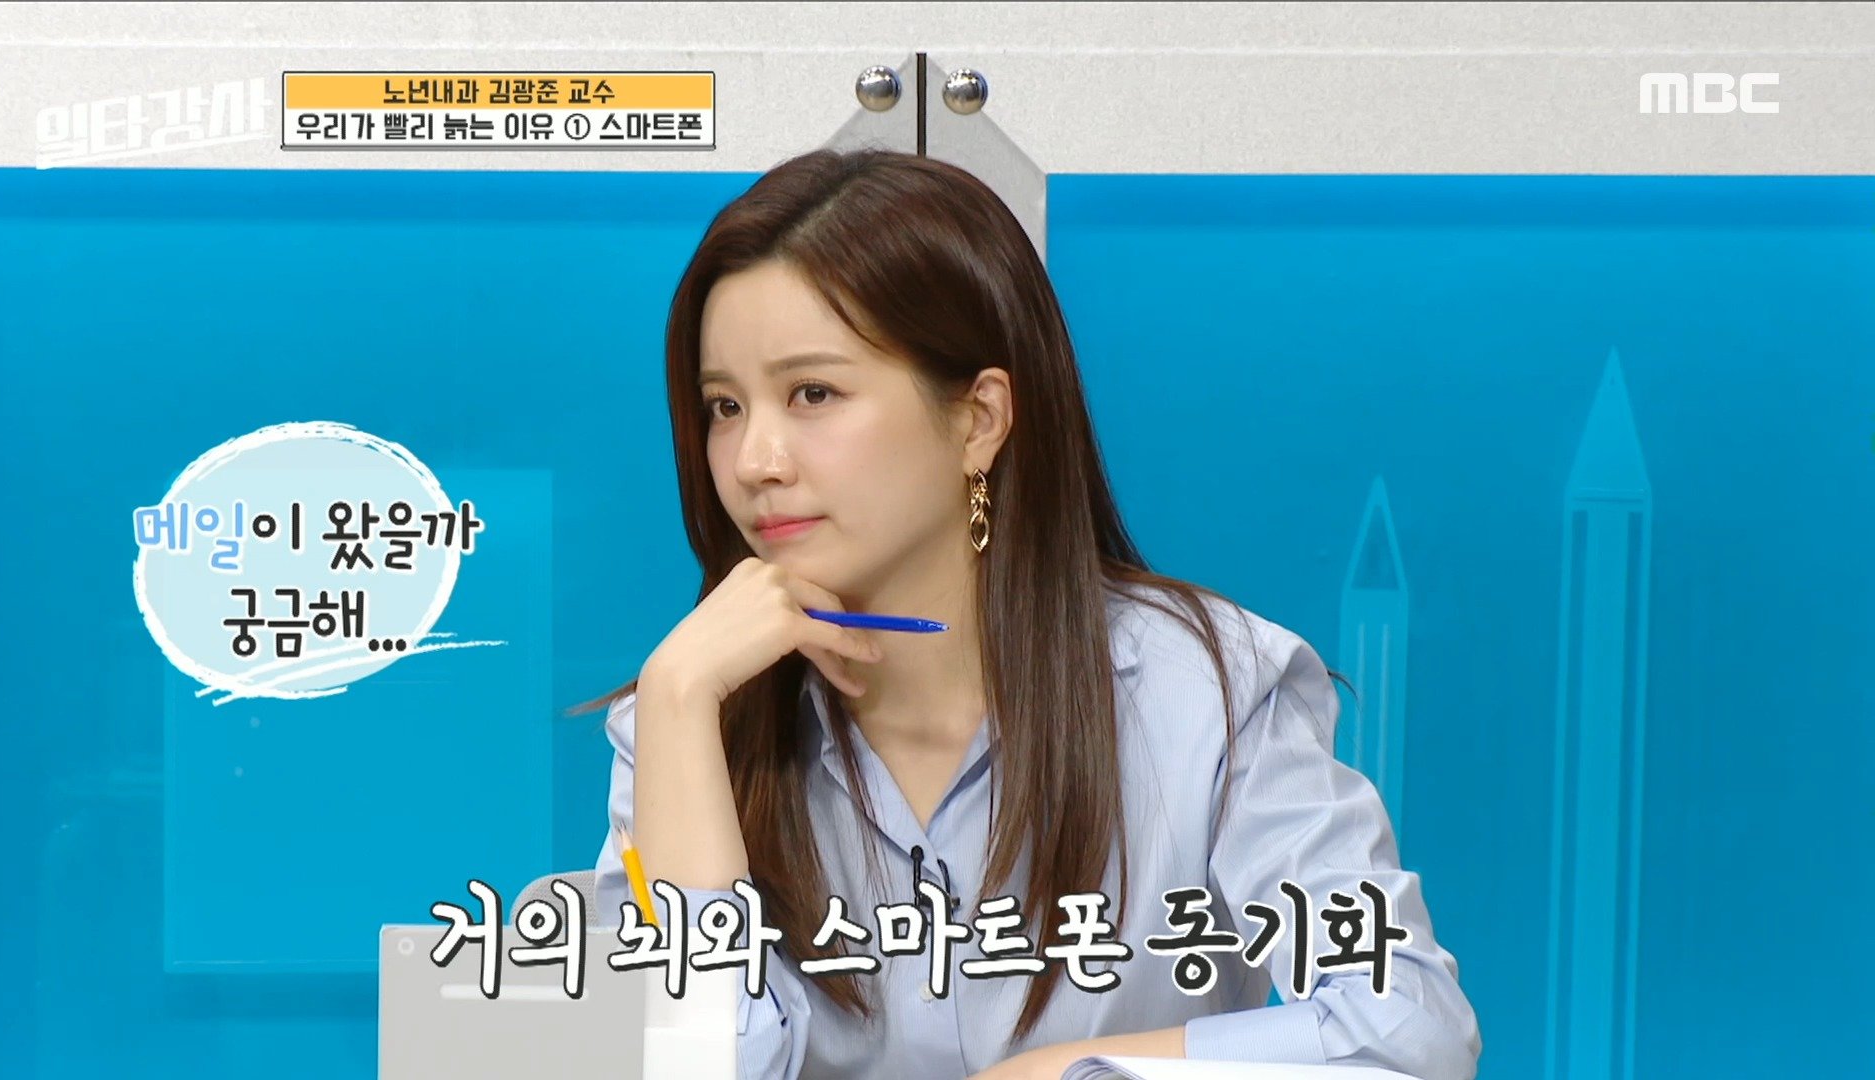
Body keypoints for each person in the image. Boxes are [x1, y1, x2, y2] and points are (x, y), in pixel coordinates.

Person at [568, 147, 1481, 1080]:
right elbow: (679, 1068)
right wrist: (676, 702)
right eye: (724, 406)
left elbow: (1406, 1027)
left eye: (813, 394)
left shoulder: (1212, 691)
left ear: (979, 420)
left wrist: (1065, 1071)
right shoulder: (682, 722)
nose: (755, 460)